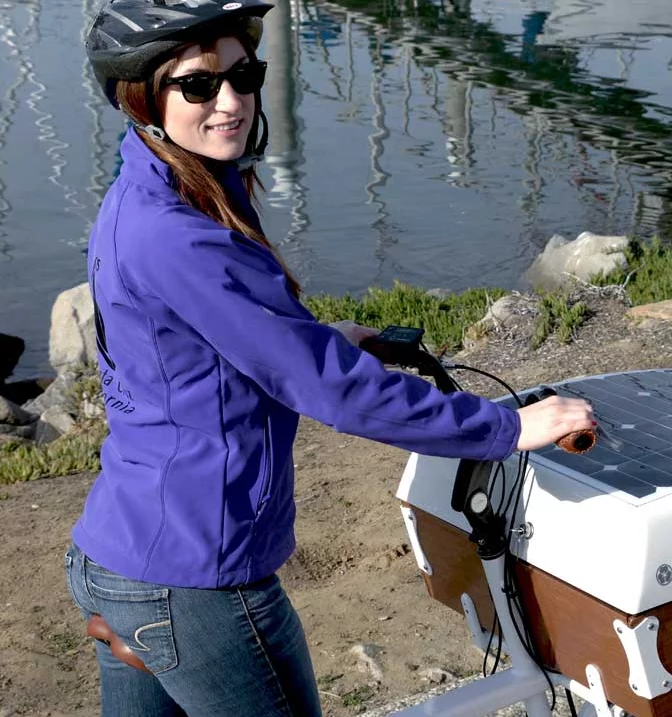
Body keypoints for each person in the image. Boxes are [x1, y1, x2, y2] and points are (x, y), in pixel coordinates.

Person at [65, 1, 596, 714]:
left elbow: (194, 351)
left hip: (124, 547)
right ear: (143, 95)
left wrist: (318, 338)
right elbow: (336, 393)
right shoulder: (179, 232)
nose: (231, 101)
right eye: (198, 85)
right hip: (193, 580)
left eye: (243, 74)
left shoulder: (157, 189)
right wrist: (504, 428)